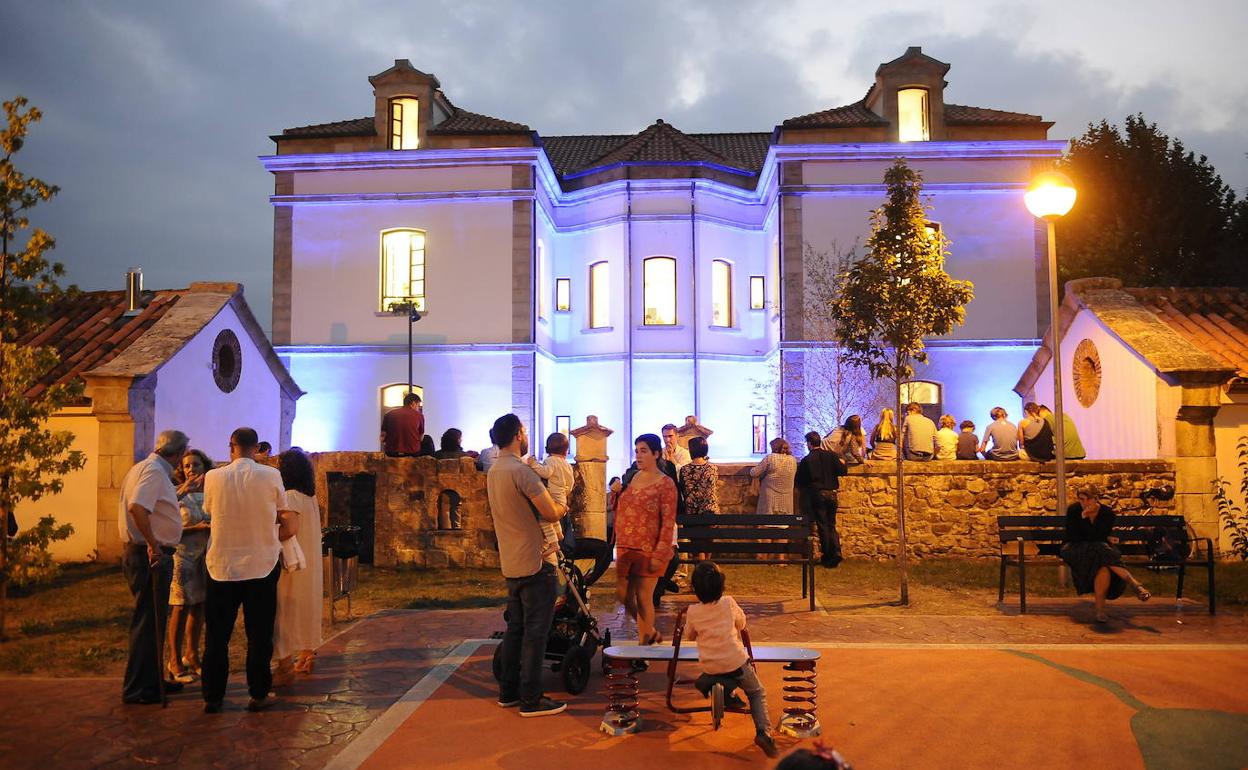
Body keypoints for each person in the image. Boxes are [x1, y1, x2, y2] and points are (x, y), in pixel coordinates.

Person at [201, 427, 291, 714]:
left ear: (232, 446)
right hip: (261, 562)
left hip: (222, 564)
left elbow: (210, 510)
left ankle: (213, 696)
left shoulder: (213, 477)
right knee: (260, 634)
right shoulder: (272, 475)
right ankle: (259, 692)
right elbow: (281, 511)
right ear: (256, 447)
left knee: (217, 636)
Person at [487, 413, 569, 718]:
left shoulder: (494, 471)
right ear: (518, 434)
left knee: (516, 629)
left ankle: (508, 692)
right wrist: (563, 505)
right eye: (525, 431)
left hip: (511, 559)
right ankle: (532, 699)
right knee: (537, 632)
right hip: (536, 560)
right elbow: (550, 512)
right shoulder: (521, 472)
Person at [119, 429, 190, 705]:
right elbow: (138, 507)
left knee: (154, 621)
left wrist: (182, 491)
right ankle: (138, 688)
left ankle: (151, 680)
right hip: (148, 556)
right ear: (177, 453)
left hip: (146, 553)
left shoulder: (148, 469)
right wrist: (153, 543)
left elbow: (157, 503)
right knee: (148, 622)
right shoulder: (152, 471)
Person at [683, 561, 778, 758]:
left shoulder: (692, 611)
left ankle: (726, 693)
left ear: (695, 589)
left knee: (719, 673)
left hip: (710, 665)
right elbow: (742, 623)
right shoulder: (728, 603)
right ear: (722, 586)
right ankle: (763, 732)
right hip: (735, 661)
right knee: (756, 692)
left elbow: (689, 635)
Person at [614, 433, 678, 646]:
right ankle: (650, 633)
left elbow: (668, 521)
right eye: (637, 451)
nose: (638, 455)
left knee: (643, 598)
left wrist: (660, 554)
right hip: (626, 545)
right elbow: (624, 507)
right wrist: (615, 494)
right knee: (623, 595)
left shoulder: (665, 483)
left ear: (656, 454)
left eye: (643, 451)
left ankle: (644, 646)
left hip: (649, 548)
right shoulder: (633, 478)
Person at [1060, 485, 1151, 623]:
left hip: (1098, 550)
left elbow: (1100, 536)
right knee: (1103, 553)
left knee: (1103, 565)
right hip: (1073, 548)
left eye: (1087, 499)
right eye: (1081, 499)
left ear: (1096, 499)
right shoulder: (1074, 510)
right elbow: (1074, 537)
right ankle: (1134, 584)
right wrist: (1084, 518)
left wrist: (1101, 537)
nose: (1084, 503)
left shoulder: (1107, 513)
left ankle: (1100, 611)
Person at [273, 448, 324, 684]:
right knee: (307, 604)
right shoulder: (310, 497)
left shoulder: (291, 497)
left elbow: (290, 529)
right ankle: (306, 653)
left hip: (293, 562)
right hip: (309, 559)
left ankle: (284, 661)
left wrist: (269, 532)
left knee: (285, 610)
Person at [167, 448, 213, 683]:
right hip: (182, 555)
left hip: (204, 556)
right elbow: (170, 529)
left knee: (199, 607)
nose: (191, 469)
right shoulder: (177, 494)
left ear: (204, 467)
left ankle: (192, 655)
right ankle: (174, 660)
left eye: (195, 465)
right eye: (186, 466)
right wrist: (197, 528)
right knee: (180, 607)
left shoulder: (210, 493)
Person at [796, 431, 848, 567]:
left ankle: (828, 556)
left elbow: (800, 481)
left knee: (822, 525)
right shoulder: (831, 456)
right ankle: (837, 552)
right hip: (832, 493)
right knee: (831, 525)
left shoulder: (807, 460)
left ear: (809, 444)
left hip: (818, 494)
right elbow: (843, 471)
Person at [527, 432, 575, 563]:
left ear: (548, 449)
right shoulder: (567, 465)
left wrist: (533, 464)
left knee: (544, 518)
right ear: (566, 450)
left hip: (552, 496)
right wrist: (565, 493)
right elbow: (571, 483)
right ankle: (559, 534)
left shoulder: (550, 461)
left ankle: (554, 544)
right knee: (555, 517)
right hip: (562, 497)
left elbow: (546, 472)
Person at [751, 437, 797, 514]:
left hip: (770, 495)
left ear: (774, 447)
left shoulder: (771, 458)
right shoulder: (793, 460)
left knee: (769, 521)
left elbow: (754, 473)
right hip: (786, 497)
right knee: (783, 521)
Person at [380, 392, 425, 457]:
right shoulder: (419, 415)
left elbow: (382, 436)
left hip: (392, 453)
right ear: (413, 403)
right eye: (418, 406)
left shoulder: (389, 414)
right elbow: (421, 438)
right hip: (412, 453)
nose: (418, 409)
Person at [606, 476, 622, 544]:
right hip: (608, 523)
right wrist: (613, 506)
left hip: (616, 524)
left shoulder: (620, 496)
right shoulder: (607, 496)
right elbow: (604, 508)